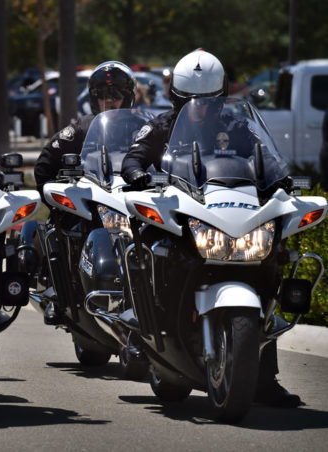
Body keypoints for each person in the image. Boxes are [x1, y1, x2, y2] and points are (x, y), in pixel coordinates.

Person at [121, 48, 302, 408]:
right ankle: (141, 332)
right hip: (183, 217)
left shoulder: (238, 125)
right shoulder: (161, 125)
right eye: (190, 101)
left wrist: (283, 179)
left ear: (220, 99)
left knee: (270, 266)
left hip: (231, 215)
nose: (199, 108)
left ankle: (265, 378)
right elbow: (133, 156)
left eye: (207, 101)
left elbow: (269, 157)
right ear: (176, 97)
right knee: (147, 247)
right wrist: (137, 173)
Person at [33, 61, 136, 325]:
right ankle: (61, 293)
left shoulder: (142, 128)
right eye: (102, 95)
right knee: (65, 221)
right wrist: (55, 196)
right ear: (93, 99)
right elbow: (45, 162)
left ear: (128, 97)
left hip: (130, 198)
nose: (108, 101)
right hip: (94, 199)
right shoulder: (81, 127)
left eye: (115, 96)